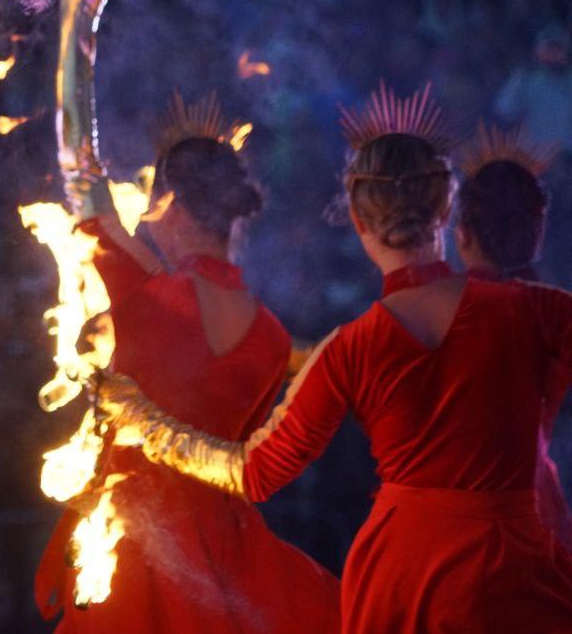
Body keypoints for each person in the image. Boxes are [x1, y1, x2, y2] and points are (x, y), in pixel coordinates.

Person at [99, 85, 572, 632]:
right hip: (518, 566)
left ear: (355, 214)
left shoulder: (351, 348)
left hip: (406, 575)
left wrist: (143, 421)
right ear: (445, 206)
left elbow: (252, 473)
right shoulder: (536, 311)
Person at [35, 82, 340, 629]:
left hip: (132, 543)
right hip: (226, 553)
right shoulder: (271, 336)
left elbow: (79, 168)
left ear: (170, 205)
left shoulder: (149, 296)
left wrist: (74, 29)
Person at [456, 124, 571, 550]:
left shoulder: (430, 312)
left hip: (449, 520)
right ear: (537, 235)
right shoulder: (558, 314)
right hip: (537, 508)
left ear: (462, 235)